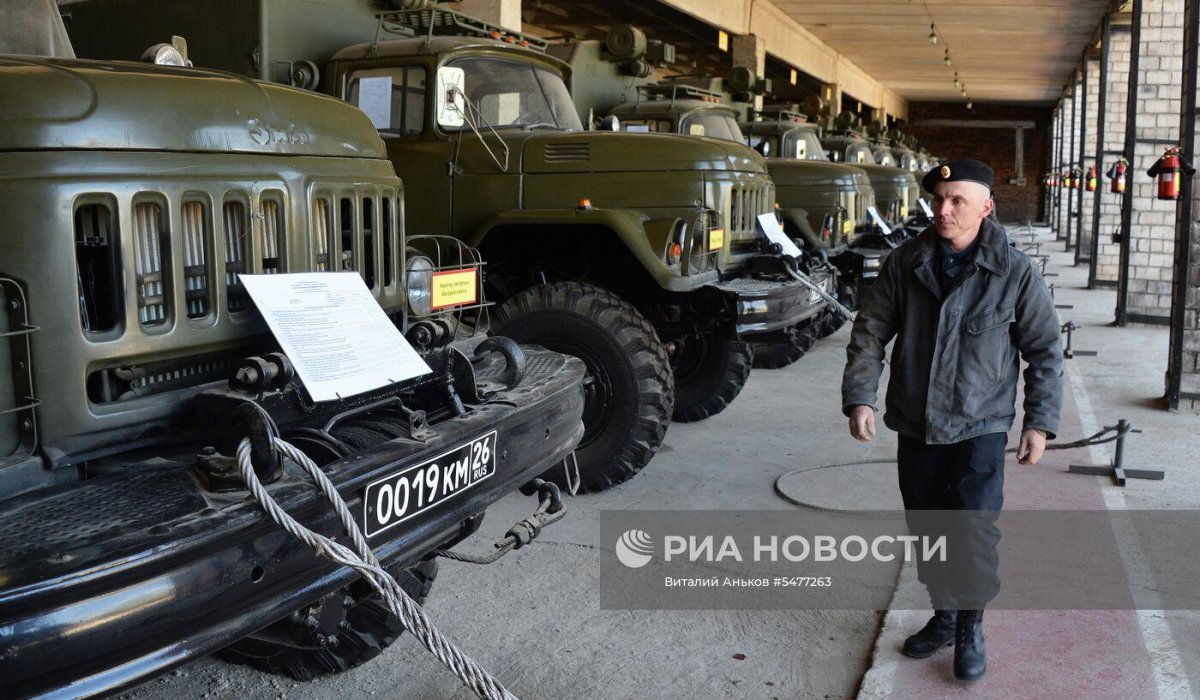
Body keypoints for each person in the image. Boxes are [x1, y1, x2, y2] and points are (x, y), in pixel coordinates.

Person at [841, 159, 1063, 682]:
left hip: (979, 424)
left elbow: (1045, 351)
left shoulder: (1014, 271)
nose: (944, 210)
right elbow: (870, 332)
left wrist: (1038, 423)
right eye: (939, 199)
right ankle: (944, 614)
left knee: (973, 531)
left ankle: (970, 625)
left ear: (986, 207)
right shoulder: (906, 262)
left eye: (957, 200)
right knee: (928, 528)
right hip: (917, 421)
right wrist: (860, 397)